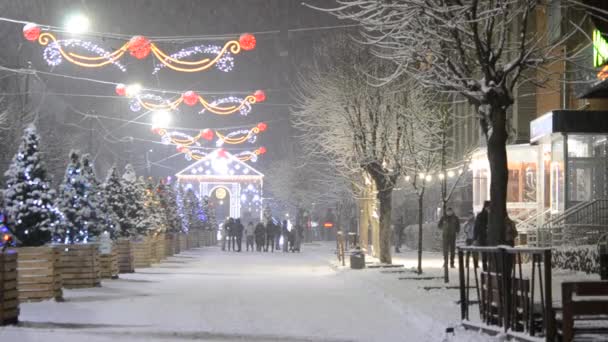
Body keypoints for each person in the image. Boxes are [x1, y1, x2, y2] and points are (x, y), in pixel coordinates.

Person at [474, 201, 490, 270]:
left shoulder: (493, 215)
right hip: (483, 237)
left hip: (490, 237)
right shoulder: (480, 215)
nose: (489, 209)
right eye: (488, 207)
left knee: (490, 253)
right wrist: (475, 238)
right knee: (484, 253)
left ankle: (489, 266)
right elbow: (477, 227)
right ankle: (485, 267)